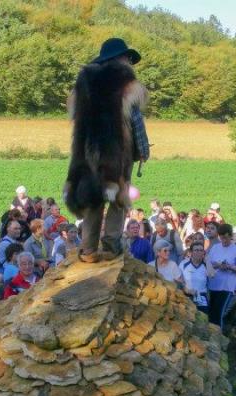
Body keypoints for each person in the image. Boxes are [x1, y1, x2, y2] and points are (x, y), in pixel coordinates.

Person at [64, 37, 150, 263]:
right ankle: (111, 246)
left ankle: (89, 249)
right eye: (127, 57)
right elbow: (135, 120)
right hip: (117, 151)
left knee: (92, 194)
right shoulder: (125, 82)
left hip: (88, 150)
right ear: (119, 59)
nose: (129, 62)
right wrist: (142, 151)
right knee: (117, 196)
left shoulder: (84, 82)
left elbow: (74, 117)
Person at [206, 223, 236, 329]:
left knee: (219, 313)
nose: (224, 241)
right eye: (222, 238)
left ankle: (219, 337)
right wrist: (218, 265)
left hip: (227, 286)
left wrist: (230, 267)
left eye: (226, 238)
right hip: (213, 284)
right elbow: (209, 263)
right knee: (211, 312)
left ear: (231, 236)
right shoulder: (215, 248)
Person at [179, 241, 210, 314]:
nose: (199, 252)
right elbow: (179, 280)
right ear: (191, 252)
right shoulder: (184, 264)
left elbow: (212, 275)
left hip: (202, 298)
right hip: (187, 296)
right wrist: (185, 289)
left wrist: (208, 261)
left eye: (201, 250)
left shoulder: (206, 265)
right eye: (196, 250)